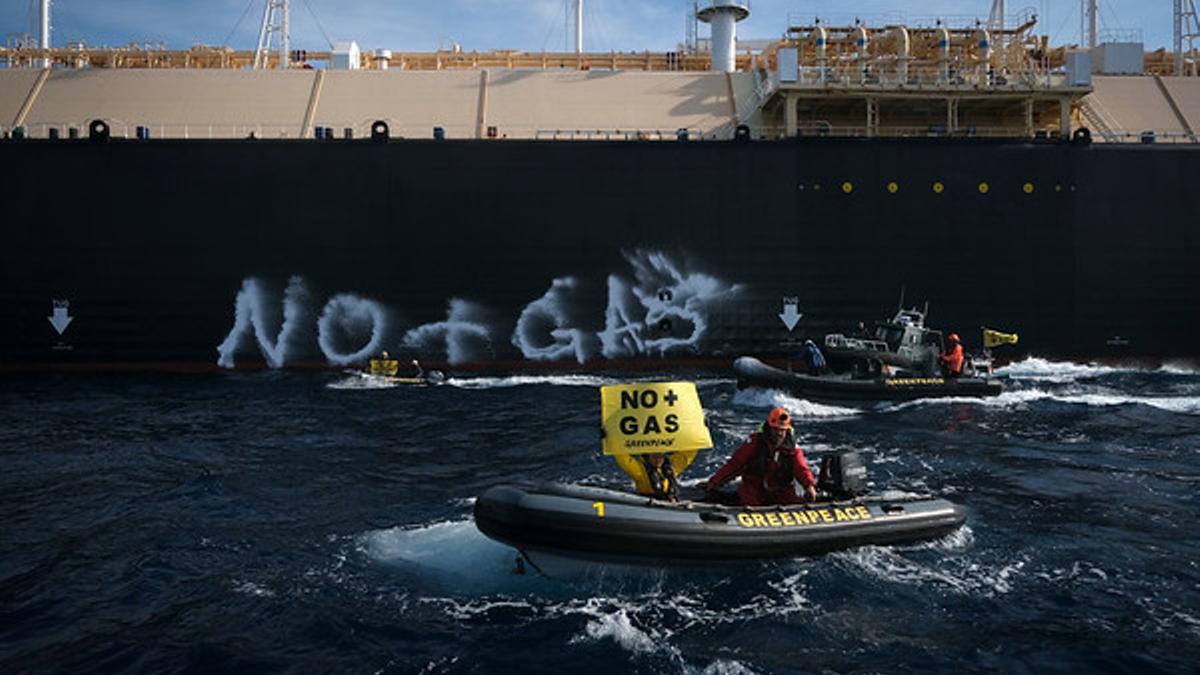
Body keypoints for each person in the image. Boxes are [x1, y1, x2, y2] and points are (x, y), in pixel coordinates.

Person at [699, 407, 818, 506]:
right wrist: (714, 482)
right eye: (776, 429)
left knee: (794, 503)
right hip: (754, 489)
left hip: (781, 491)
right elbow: (735, 464)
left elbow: (801, 469)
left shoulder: (793, 449)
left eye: (782, 430)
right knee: (748, 500)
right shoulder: (755, 442)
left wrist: (809, 486)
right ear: (769, 428)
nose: (779, 434)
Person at [613, 452, 695, 502]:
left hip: (670, 502)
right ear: (648, 457)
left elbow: (686, 455)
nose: (658, 460)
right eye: (654, 457)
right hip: (646, 501)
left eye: (660, 456)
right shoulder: (639, 470)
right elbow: (623, 459)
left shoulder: (671, 466)